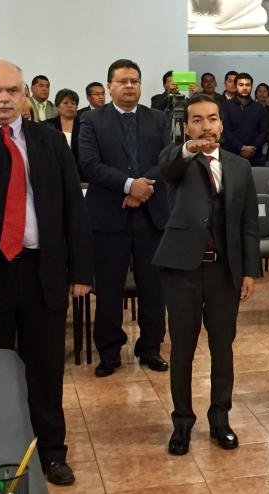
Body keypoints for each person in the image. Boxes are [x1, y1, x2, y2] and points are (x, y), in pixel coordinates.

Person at [0, 59, 93, 485]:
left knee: (45, 368)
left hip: (41, 270)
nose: (4, 98)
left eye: (12, 90)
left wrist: (81, 271)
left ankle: (51, 452)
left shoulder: (49, 141)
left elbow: (73, 207)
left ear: (25, 95)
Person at [154, 93, 260, 455]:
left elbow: (248, 223)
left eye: (212, 118)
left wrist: (249, 270)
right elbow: (167, 168)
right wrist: (188, 149)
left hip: (223, 271)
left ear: (222, 123)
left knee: (222, 348)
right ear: (186, 127)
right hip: (182, 270)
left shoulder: (239, 167)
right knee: (182, 349)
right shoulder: (177, 158)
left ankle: (220, 419)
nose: (206, 126)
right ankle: (182, 423)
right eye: (197, 120)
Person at [79, 59, 171, 378]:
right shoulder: (92, 120)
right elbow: (90, 164)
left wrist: (142, 189)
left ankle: (150, 348)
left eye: (135, 80)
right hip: (108, 218)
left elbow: (167, 159)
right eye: (122, 81)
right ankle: (109, 351)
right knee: (109, 290)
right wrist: (130, 185)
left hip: (151, 215)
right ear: (109, 86)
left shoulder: (158, 118)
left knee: (153, 288)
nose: (129, 86)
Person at [221, 72, 269, 167]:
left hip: (255, 155)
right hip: (232, 155)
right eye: (241, 85)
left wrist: (253, 148)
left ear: (251, 87)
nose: (244, 88)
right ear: (236, 86)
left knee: (258, 177)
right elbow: (225, 131)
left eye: (247, 85)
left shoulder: (259, 108)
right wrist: (241, 147)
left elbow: (265, 131)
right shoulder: (225, 107)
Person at [44, 88, 83, 179]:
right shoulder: (47, 126)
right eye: (65, 103)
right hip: (55, 173)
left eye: (73, 103)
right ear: (57, 106)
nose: (70, 106)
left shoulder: (84, 125)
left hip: (81, 174)